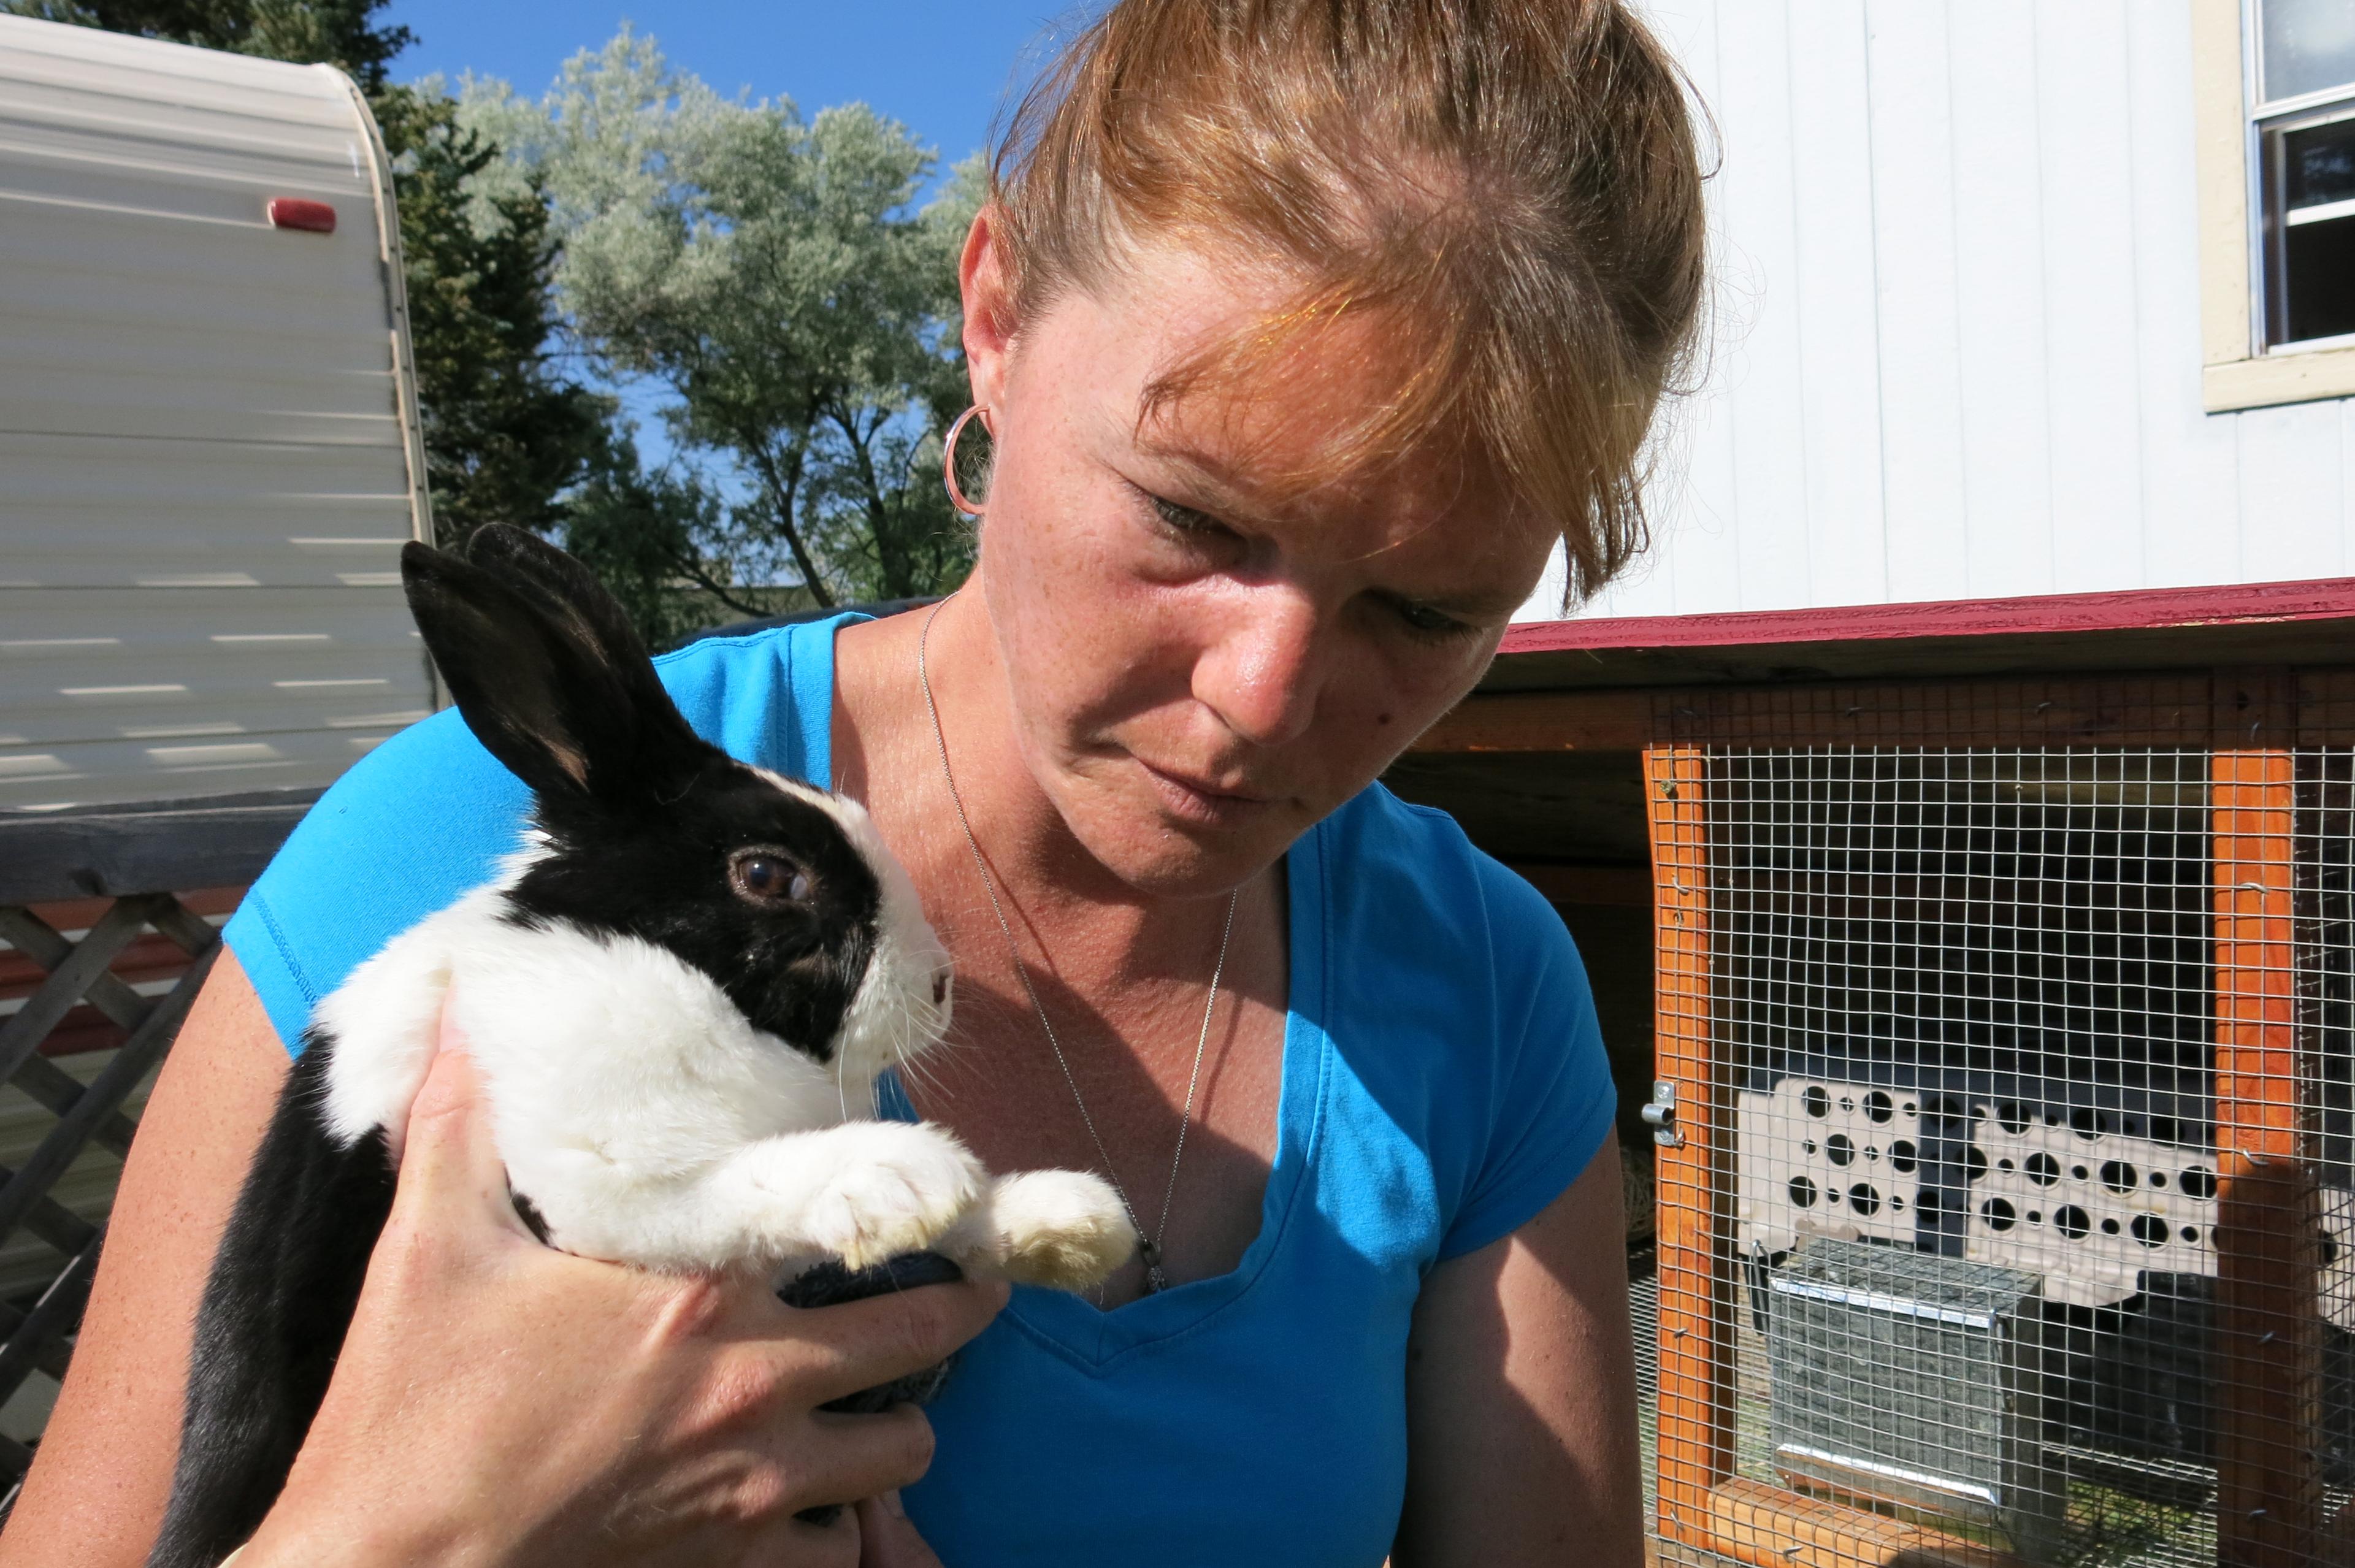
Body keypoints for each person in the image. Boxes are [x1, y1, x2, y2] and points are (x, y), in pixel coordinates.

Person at [1, 1, 1706, 1562]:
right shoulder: (482, 854)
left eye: (1425, 610)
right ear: (997, 319)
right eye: (1193, 519)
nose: (1261, 701)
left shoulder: (1481, 987)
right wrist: (423, 1535)